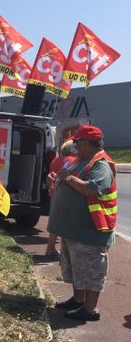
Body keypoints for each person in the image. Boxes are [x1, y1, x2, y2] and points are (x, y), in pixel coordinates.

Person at [47, 125, 117, 321]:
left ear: (86, 143)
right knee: (76, 269)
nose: (74, 146)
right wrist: (55, 180)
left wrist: (67, 178)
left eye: (77, 143)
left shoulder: (100, 165)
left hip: (90, 231)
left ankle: (90, 309)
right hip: (73, 229)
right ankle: (78, 300)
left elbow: (95, 189)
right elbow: (66, 180)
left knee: (91, 272)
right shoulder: (80, 160)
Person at [45, 139, 76, 256]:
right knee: (67, 222)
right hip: (66, 194)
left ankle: (50, 248)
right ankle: (64, 251)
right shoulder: (73, 160)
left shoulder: (55, 160)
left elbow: (51, 175)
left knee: (56, 221)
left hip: (54, 192)